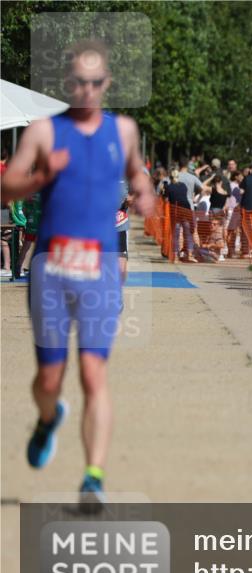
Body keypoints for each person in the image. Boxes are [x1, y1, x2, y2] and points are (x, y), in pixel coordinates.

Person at [0, 39, 155, 511]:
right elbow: (7, 188)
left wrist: (145, 195)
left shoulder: (123, 131)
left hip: (100, 267)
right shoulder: (44, 133)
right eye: (78, 83)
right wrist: (39, 178)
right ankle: (49, 418)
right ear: (67, 85)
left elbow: (139, 175)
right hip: (52, 266)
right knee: (50, 379)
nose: (87, 90)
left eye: (95, 82)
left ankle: (93, 478)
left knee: (93, 373)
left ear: (106, 83)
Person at [165, 169, 196, 262]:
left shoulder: (169, 187)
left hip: (175, 211)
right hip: (186, 210)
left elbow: (166, 199)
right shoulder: (183, 185)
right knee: (188, 233)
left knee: (176, 234)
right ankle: (189, 254)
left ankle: (176, 255)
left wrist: (165, 188)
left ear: (170, 177)